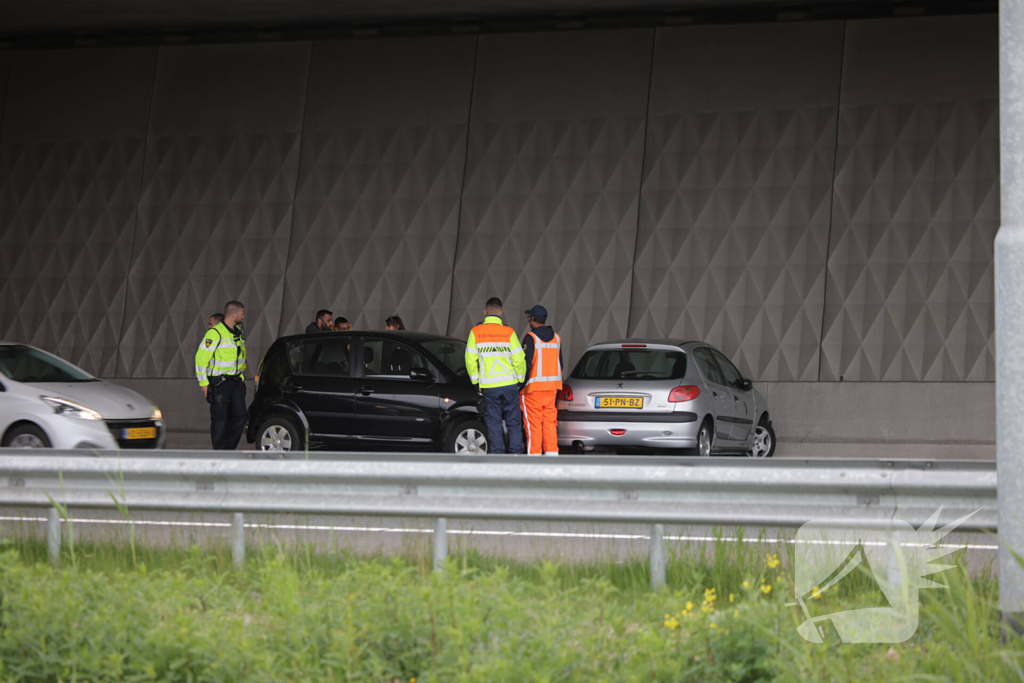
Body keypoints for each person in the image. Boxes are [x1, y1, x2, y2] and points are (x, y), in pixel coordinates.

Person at [465, 297, 526, 454]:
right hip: (510, 385)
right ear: (501, 312)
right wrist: (521, 379)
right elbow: (519, 359)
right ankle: (516, 456)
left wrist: (475, 382)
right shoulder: (509, 332)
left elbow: (470, 360)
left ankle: (498, 458)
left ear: (485, 313)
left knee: (494, 424)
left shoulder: (475, 332)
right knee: (513, 423)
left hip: (489, 387)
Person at [195, 300, 247, 450]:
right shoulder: (215, 333)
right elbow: (200, 358)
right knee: (220, 419)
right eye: (241, 314)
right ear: (233, 314)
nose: (243, 317)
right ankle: (219, 452)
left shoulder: (238, 333)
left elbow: (240, 357)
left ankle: (229, 450)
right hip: (220, 383)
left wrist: (241, 377)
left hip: (236, 382)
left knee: (239, 416)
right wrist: (203, 382)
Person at [520, 305, 563, 456]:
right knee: (549, 423)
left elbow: (525, 365)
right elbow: (560, 364)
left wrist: (519, 386)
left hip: (532, 391)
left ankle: (534, 458)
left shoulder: (530, 338)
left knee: (534, 425)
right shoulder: (557, 338)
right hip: (551, 390)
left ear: (532, 319)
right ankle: (552, 455)